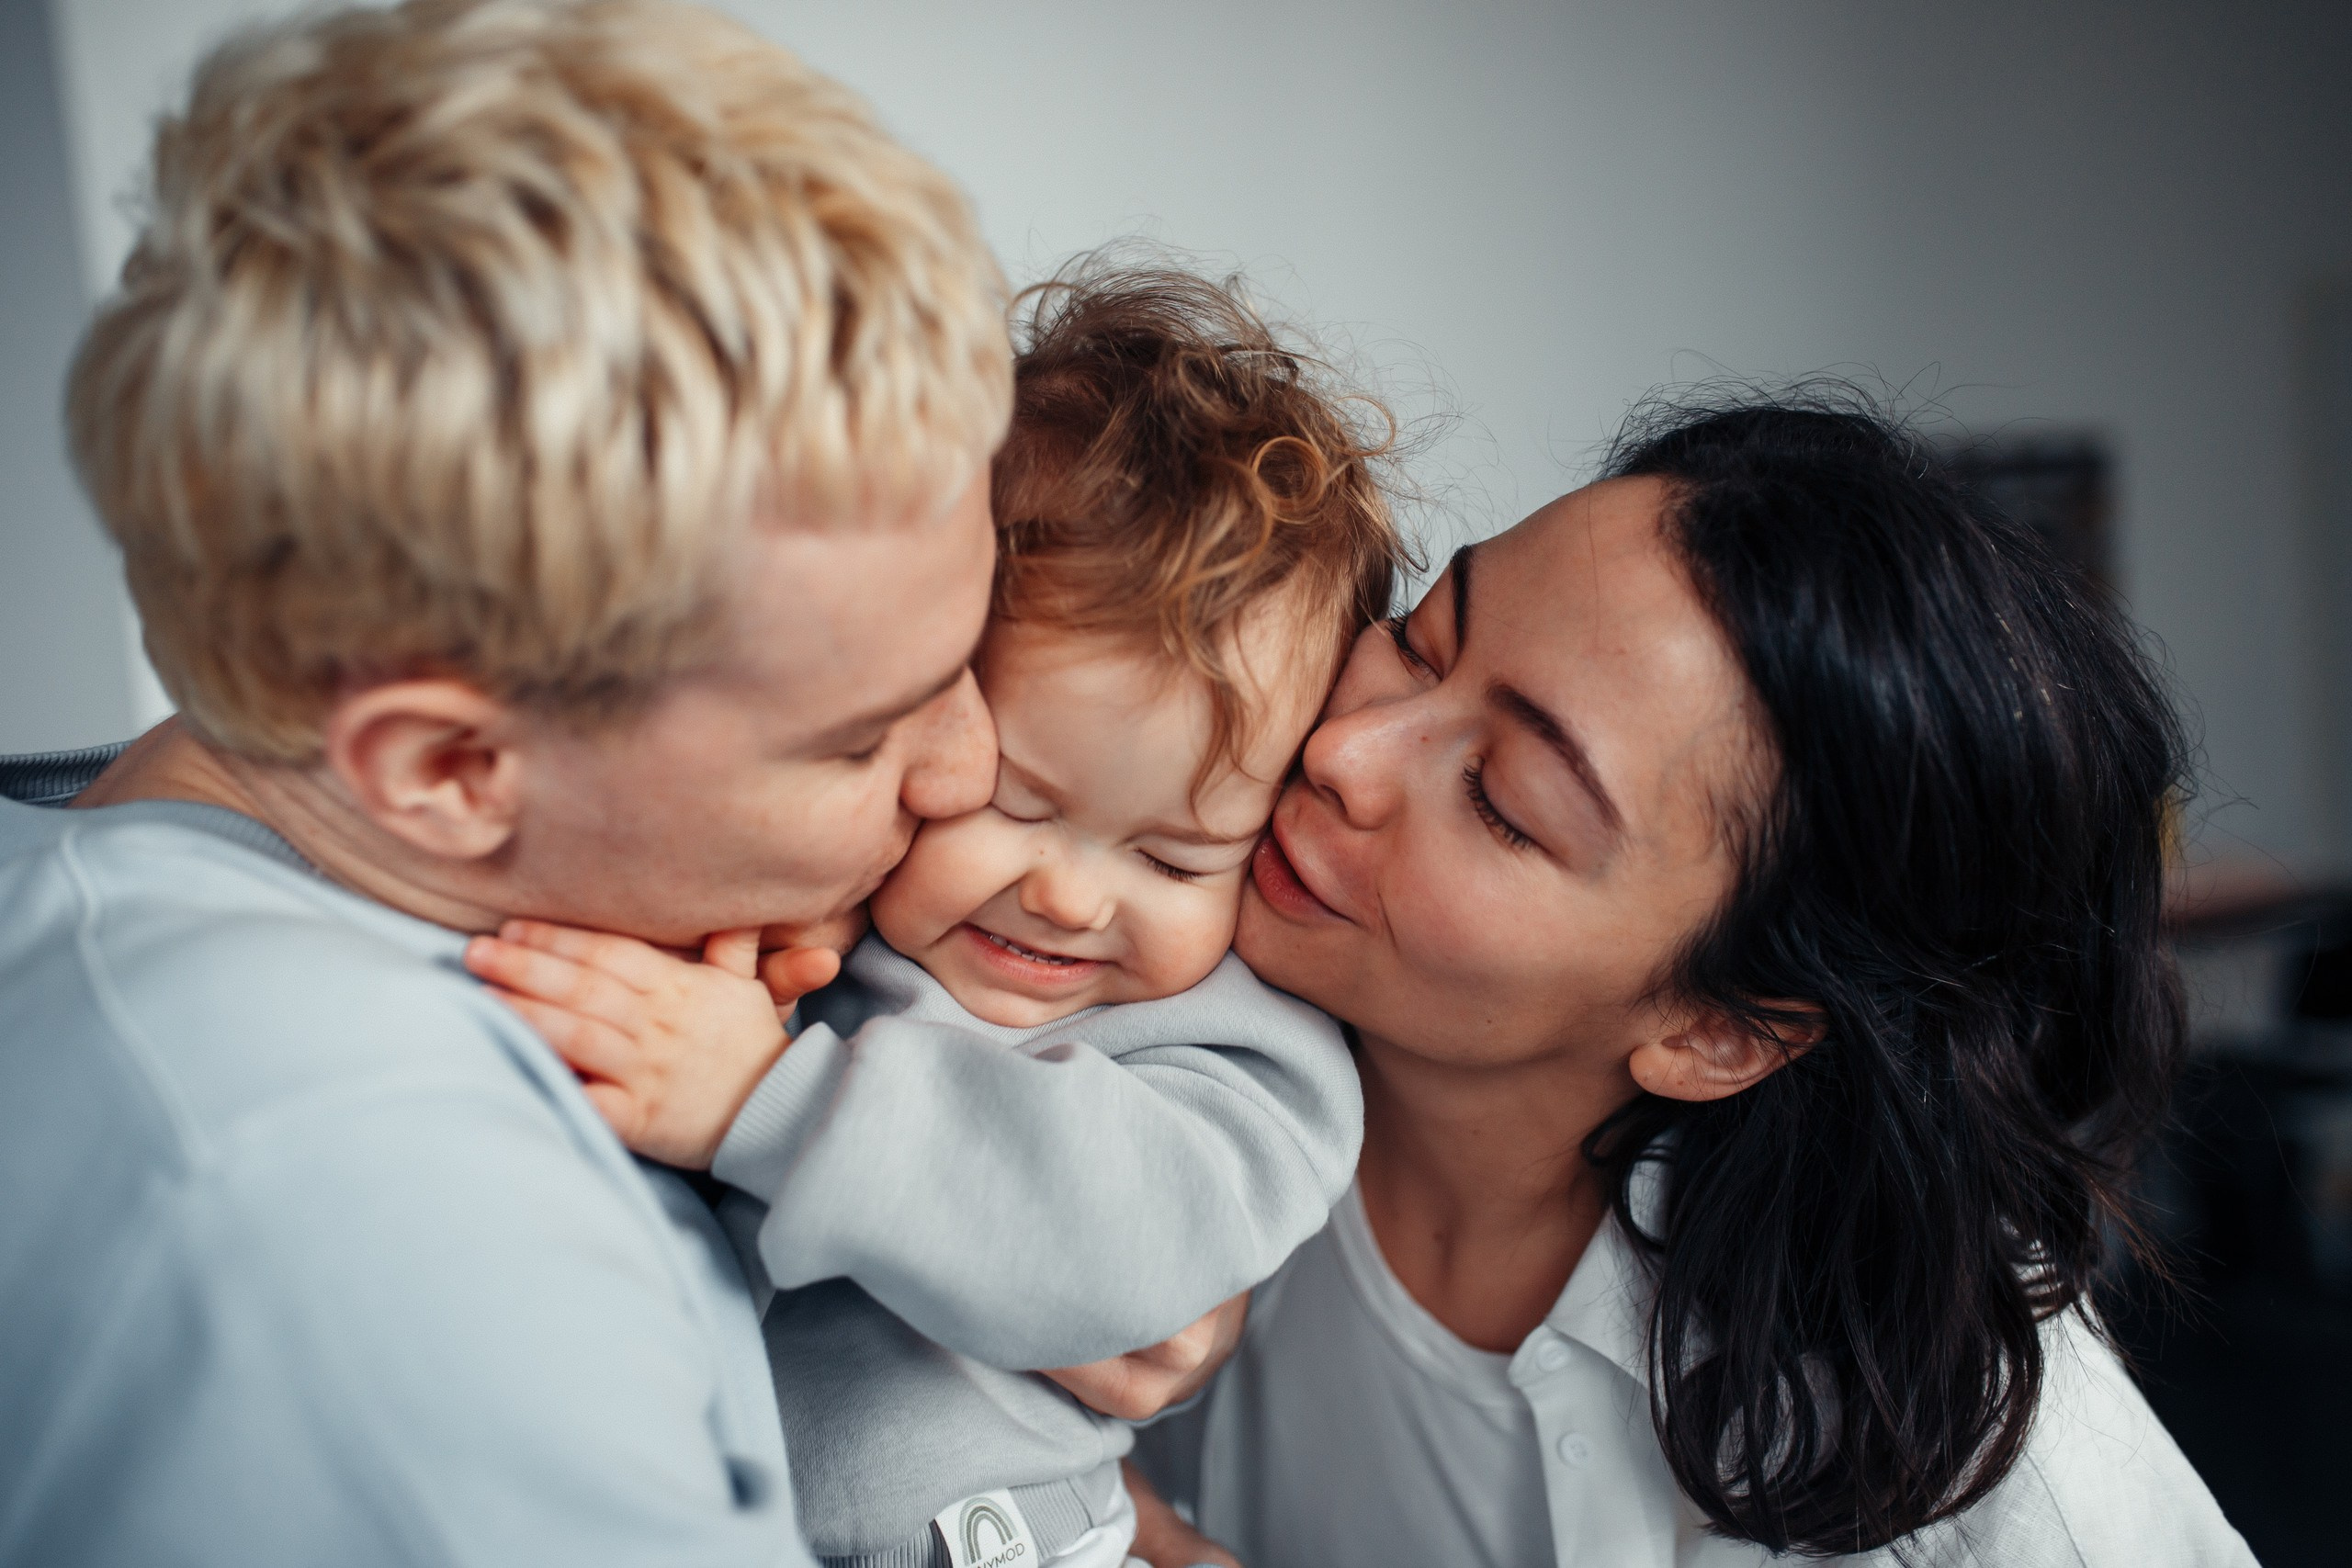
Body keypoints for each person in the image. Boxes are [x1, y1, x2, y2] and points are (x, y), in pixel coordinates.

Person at [0, 1, 1017, 1562]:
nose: (970, 767)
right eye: (858, 736)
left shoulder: (110, 869)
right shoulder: (379, 1209)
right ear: (447, 768)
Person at [1128, 393, 2259, 1567]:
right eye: (1416, 639)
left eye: (1503, 802)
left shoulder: (1968, 1465)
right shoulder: (1129, 1033)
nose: (1342, 751)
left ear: (1720, 1031)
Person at [461, 264, 1405, 1568]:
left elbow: (1121, 1240)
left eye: (1178, 858)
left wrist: (763, 1103)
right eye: (1015, 801)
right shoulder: (828, 922)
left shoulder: (1246, 1049)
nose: (1071, 894)